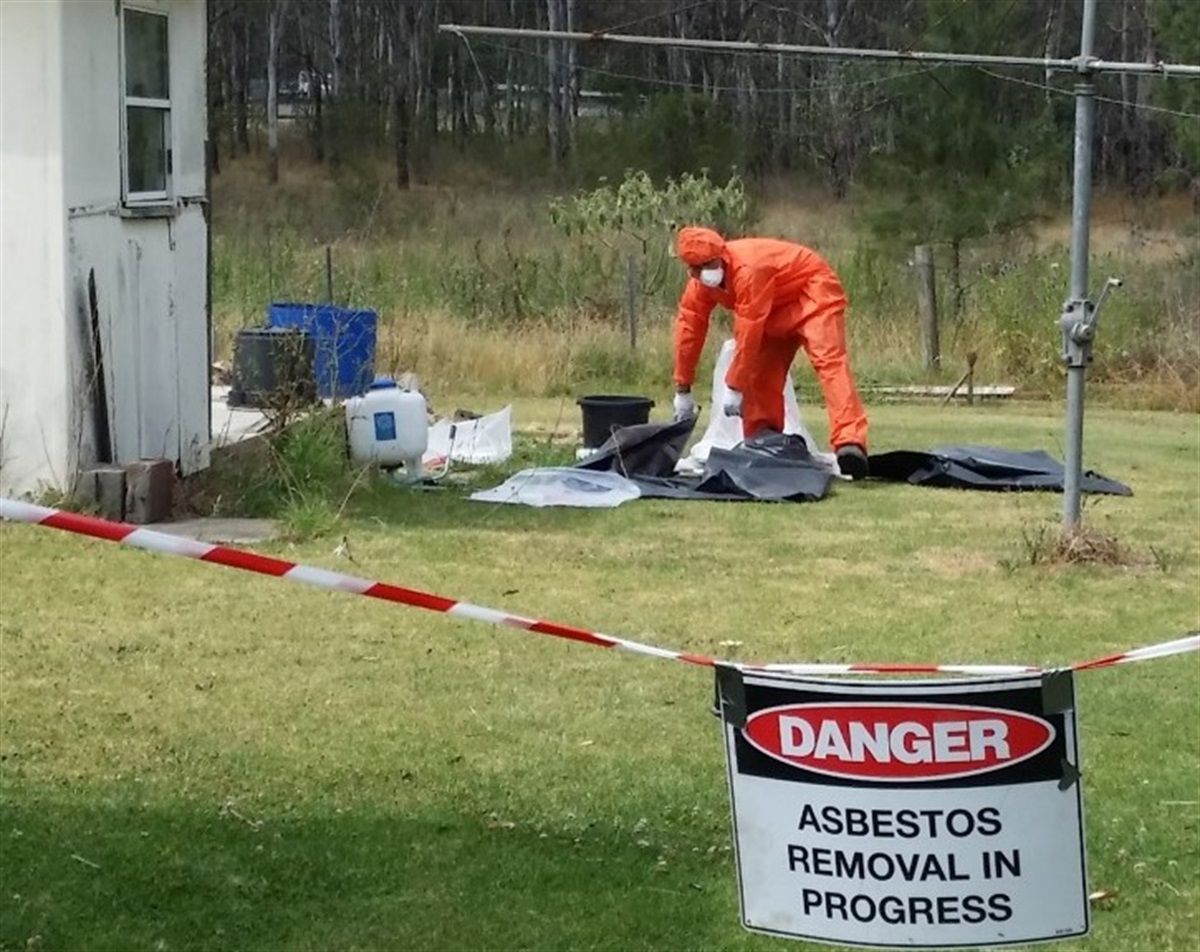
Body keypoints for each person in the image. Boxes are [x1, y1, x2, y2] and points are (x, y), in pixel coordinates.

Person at [669, 225, 871, 480]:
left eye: (711, 264)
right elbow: (689, 329)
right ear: (691, 269)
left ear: (722, 255)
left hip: (813, 291)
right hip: (772, 306)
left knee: (829, 363)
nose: (706, 272)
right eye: (699, 267)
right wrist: (682, 388)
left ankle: (849, 443)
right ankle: (763, 440)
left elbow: (749, 329)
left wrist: (733, 386)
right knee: (761, 375)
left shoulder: (748, 270)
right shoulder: (699, 286)